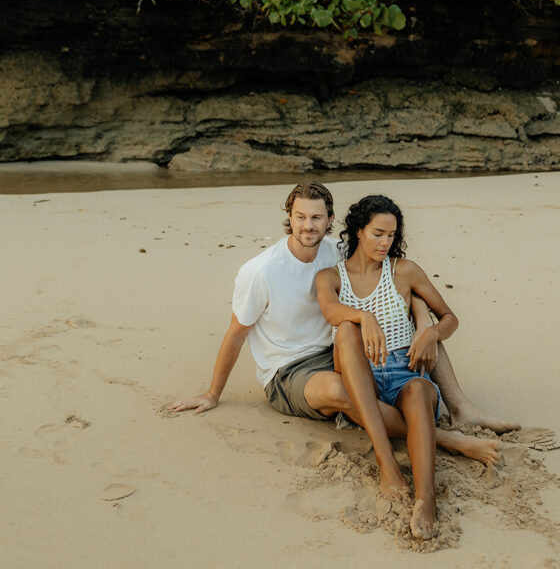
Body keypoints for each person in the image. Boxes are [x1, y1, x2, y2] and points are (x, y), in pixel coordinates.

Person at [170, 181, 515, 471]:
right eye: (301, 217)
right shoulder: (261, 271)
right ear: (289, 218)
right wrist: (213, 393)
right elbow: (236, 334)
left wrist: (424, 322)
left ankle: (461, 409)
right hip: (289, 370)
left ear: (330, 220)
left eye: (317, 218)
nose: (308, 226)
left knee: (420, 333)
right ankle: (447, 439)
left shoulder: (336, 252)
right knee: (340, 390)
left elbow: (396, 283)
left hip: (337, 350)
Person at [317, 194, 461, 540]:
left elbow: (450, 318)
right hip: (358, 373)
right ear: (358, 231)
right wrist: (363, 315)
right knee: (347, 332)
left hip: (405, 367)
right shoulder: (330, 277)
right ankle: (387, 465)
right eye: (378, 234)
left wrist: (430, 335)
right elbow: (331, 313)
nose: (385, 242)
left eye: (391, 235)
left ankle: (426, 497)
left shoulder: (404, 271)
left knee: (419, 391)